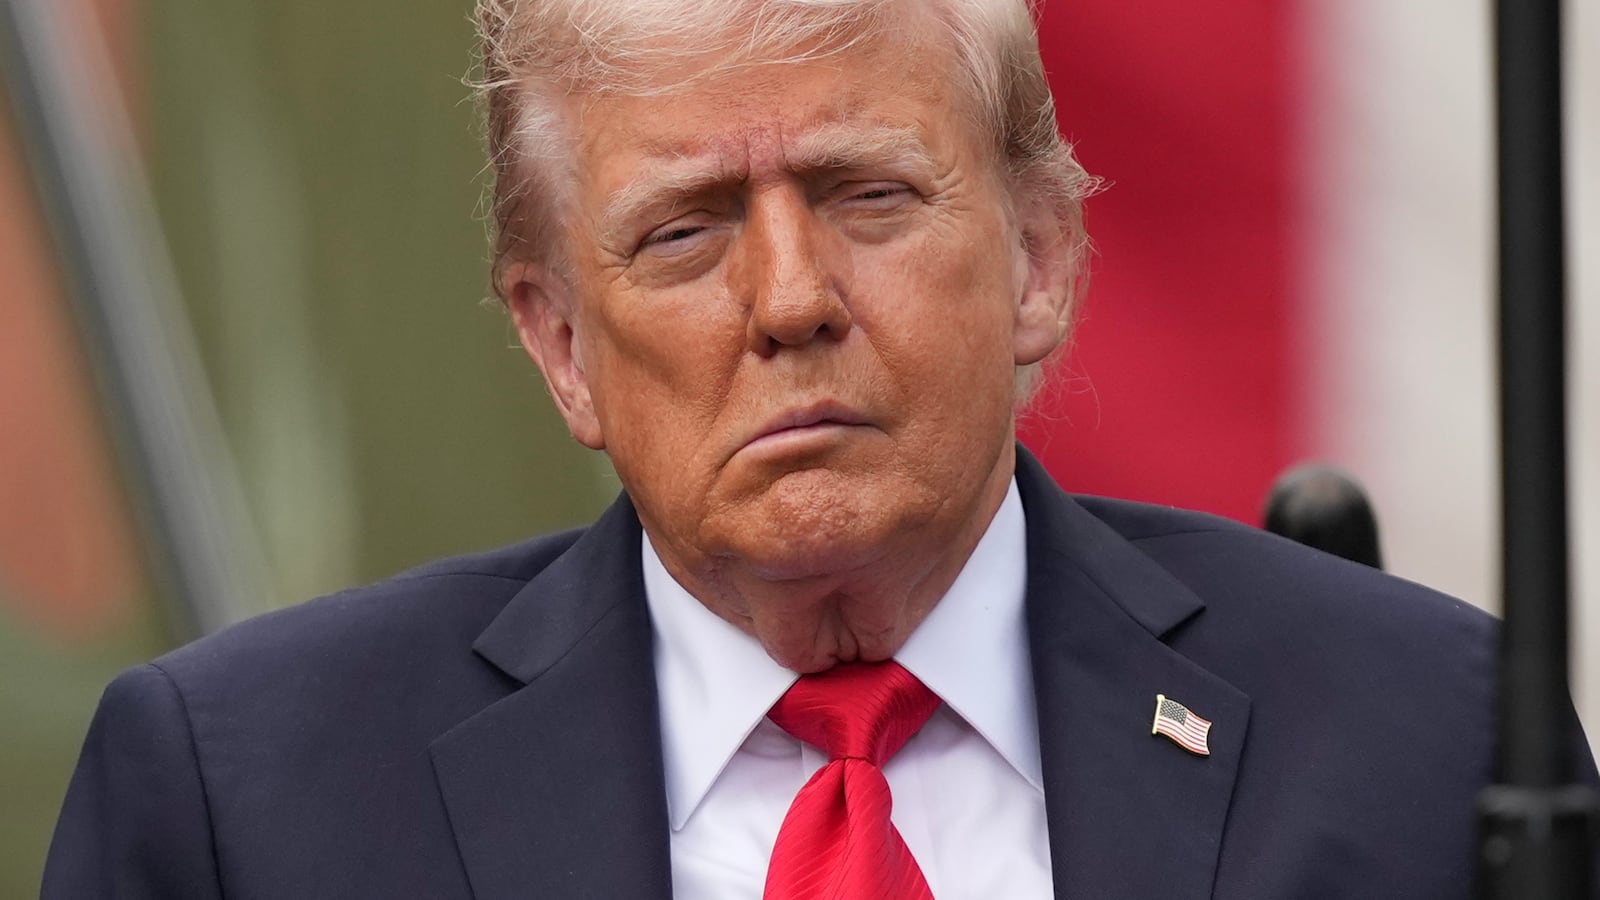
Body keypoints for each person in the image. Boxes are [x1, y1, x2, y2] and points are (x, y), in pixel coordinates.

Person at [42, 1, 1588, 897]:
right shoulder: (246, 808)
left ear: (1042, 256)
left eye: (867, 196)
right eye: (685, 231)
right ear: (560, 343)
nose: (790, 302)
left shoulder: (1419, 745)